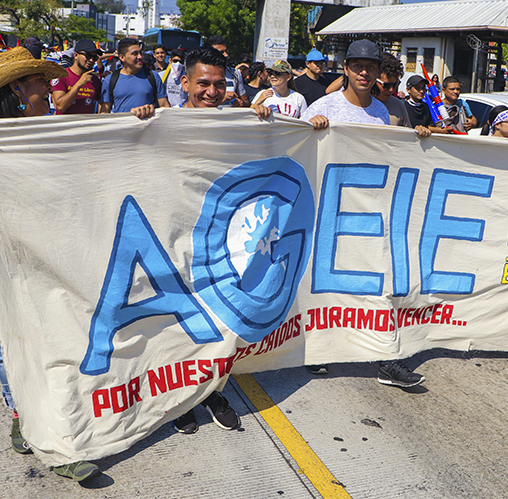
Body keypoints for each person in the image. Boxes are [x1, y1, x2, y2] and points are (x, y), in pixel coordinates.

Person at [0, 48, 155, 483]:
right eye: (39, 81)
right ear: (17, 90)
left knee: (66, 337)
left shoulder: (57, 130)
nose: (51, 87)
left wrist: (141, 122)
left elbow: (109, 152)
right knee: (13, 342)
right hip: (4, 261)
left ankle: (64, 423)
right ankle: (24, 414)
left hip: (59, 255)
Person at [300, 39, 427, 388]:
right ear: (345, 68)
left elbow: (390, 158)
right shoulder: (322, 107)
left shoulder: (382, 113)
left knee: (377, 284)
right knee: (324, 283)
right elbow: (294, 151)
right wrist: (311, 132)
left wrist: (419, 140)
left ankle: (386, 358)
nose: (364, 72)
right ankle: (317, 349)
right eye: (357, 65)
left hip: (372, 213)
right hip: (329, 211)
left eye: (370, 67)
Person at [166, 46, 269, 434]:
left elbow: (278, 142)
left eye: (219, 85)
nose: (211, 92)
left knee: (217, 319)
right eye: (203, 83)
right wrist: (137, 121)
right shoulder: (165, 122)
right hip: (174, 238)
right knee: (178, 323)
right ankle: (179, 401)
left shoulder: (236, 122)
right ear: (185, 82)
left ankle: (211, 391)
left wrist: (262, 118)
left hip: (220, 241)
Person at [99, 38, 169, 113]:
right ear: (122, 57)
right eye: (135, 54)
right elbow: (105, 112)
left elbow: (164, 106)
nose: (140, 57)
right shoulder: (110, 80)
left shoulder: (153, 76)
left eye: (140, 53)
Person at [373, 53, 430, 137]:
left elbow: (408, 136)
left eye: (395, 84)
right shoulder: (356, 103)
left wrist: (417, 131)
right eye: (386, 85)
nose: (391, 89)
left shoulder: (398, 105)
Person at [51, 39, 103, 115]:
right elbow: (61, 107)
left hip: (86, 125)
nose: (91, 60)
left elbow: (103, 102)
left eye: (94, 58)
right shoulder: (61, 76)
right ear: (75, 55)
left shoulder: (94, 79)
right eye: (88, 56)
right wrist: (79, 84)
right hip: (65, 125)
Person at [205, 36, 248, 107]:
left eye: (226, 51)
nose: (226, 55)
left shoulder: (235, 73)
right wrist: (220, 99)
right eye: (222, 52)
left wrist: (240, 103)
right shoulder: (201, 73)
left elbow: (245, 102)